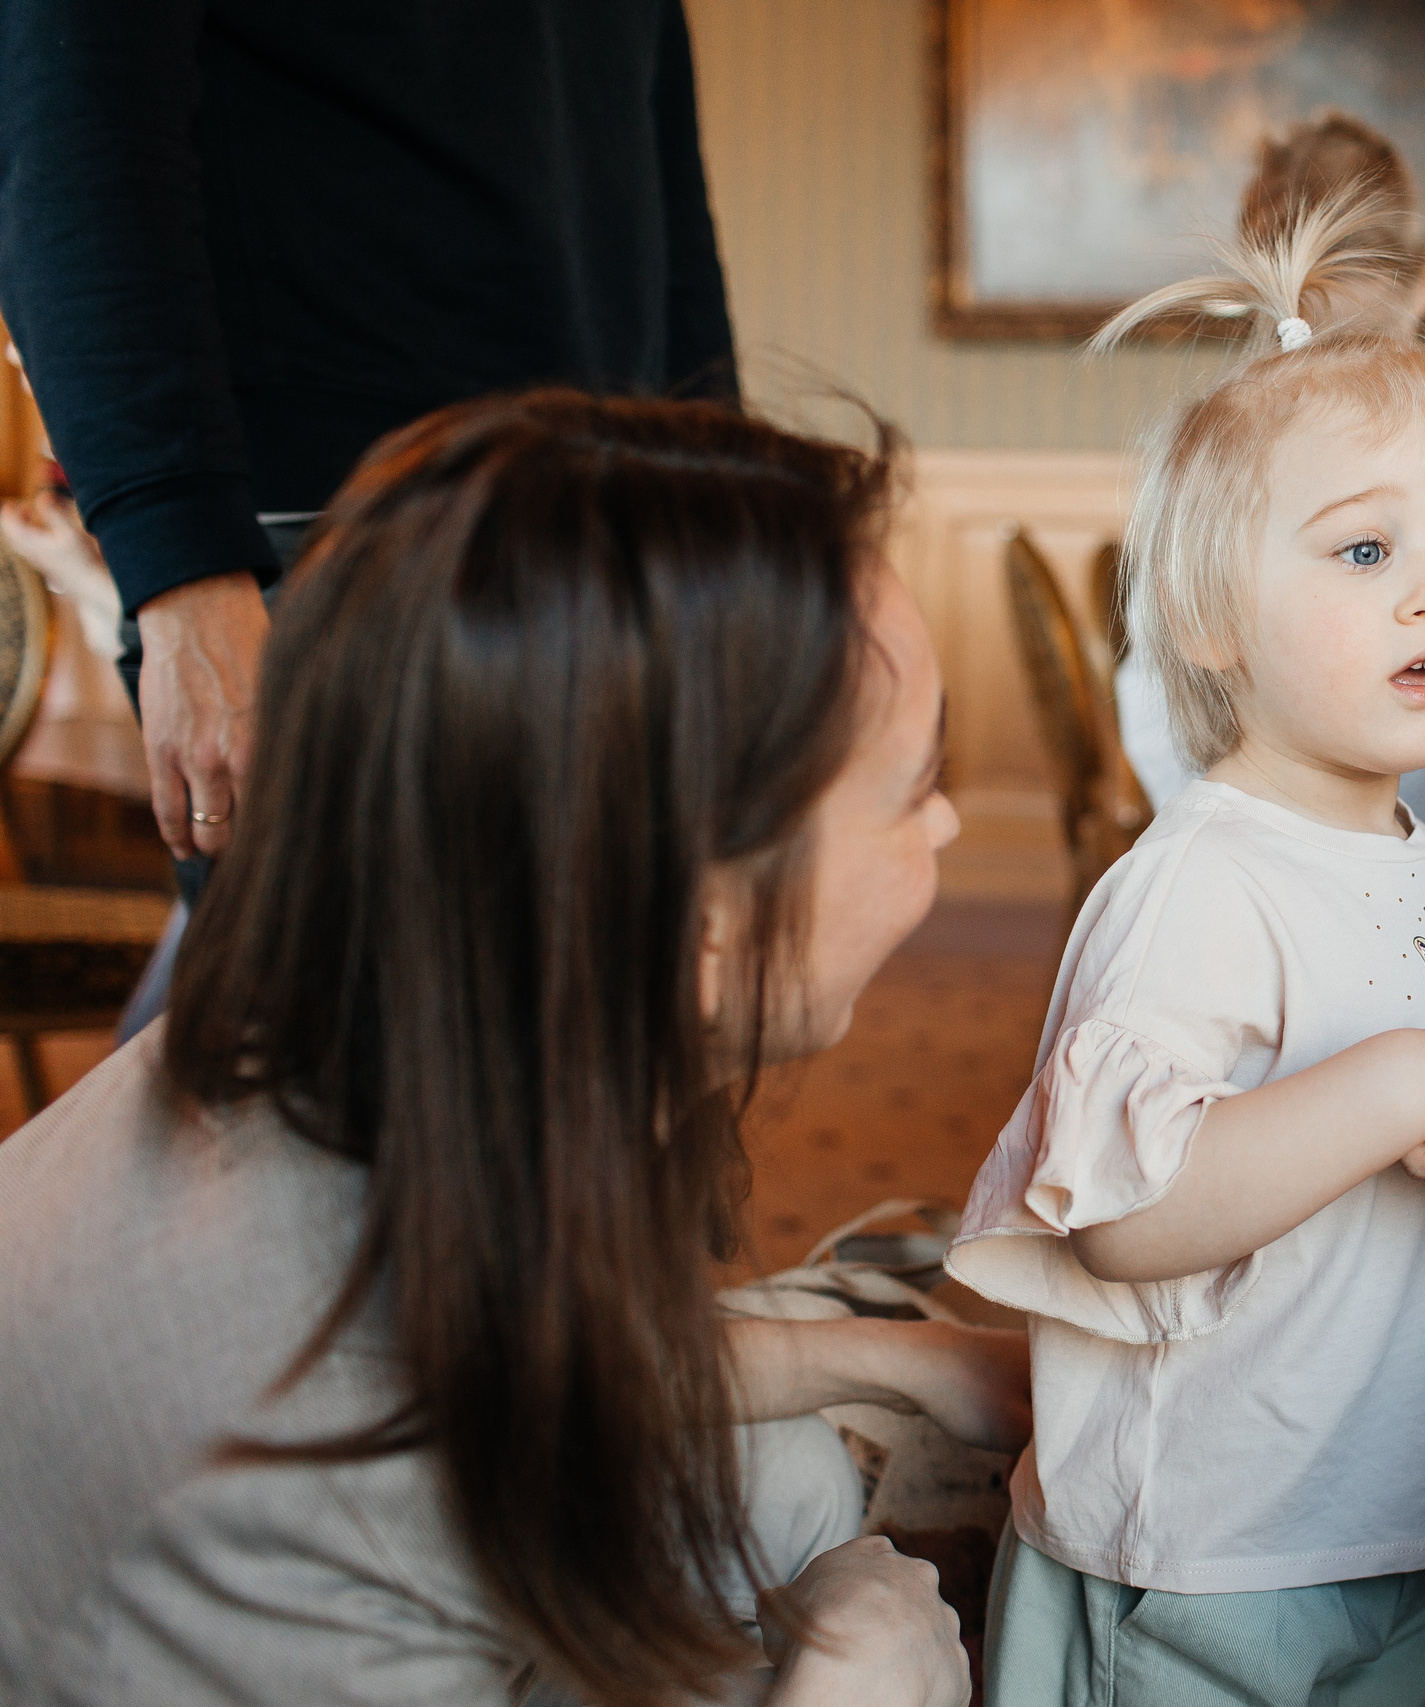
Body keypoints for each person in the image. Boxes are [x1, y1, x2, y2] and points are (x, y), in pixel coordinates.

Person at [0, 394, 1027, 1706]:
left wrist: (911, 1358)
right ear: (700, 918)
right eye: (911, 788)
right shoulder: (334, 1460)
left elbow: (549, 1353)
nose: (944, 827)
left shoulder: (386, 1023)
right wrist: (850, 1678)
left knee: (792, 1478)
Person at [949, 197, 1425, 1707]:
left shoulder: (1423, 873)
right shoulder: (1199, 881)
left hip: (1389, 1512)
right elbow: (1126, 1215)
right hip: (1215, 1554)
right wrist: (1407, 1075)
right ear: (1211, 618)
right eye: (1368, 549)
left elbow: (1418, 1080)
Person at [0, 0, 735, 877]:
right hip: (330, 534)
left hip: (608, 511)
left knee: (604, 995)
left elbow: (661, 162)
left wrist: (719, 514)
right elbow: (73, 132)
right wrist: (184, 574)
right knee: (349, 1005)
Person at [1112, 112, 1425, 873]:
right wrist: (1216, 821)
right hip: (1260, 838)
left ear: (1421, 285)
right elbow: (1155, 671)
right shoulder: (1217, 448)